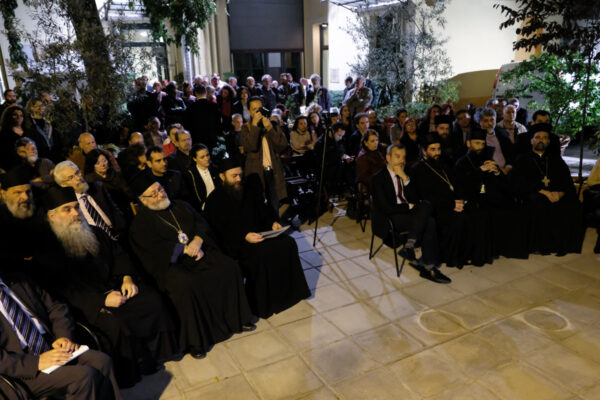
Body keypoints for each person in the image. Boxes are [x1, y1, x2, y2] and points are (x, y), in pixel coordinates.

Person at [36, 185, 178, 387]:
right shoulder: (47, 250)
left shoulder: (94, 231)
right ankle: (132, 371)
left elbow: (119, 255)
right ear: (52, 216)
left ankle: (157, 355)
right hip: (85, 306)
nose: (75, 213)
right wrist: (101, 300)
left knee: (151, 301)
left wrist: (127, 278)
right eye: (67, 209)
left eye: (76, 207)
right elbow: (60, 292)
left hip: (115, 288)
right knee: (114, 323)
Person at [128, 174, 256, 359]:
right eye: (153, 194)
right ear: (143, 200)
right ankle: (196, 341)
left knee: (228, 267)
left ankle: (237, 319)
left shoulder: (181, 205)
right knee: (186, 284)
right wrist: (182, 249)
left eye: (160, 189)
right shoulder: (140, 223)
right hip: (172, 264)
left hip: (199, 252)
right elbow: (152, 250)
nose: (160, 195)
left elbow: (202, 223)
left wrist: (198, 240)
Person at [204, 161, 310, 318]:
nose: (239, 179)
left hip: (259, 233)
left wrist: (272, 223)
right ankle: (266, 303)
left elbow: (263, 211)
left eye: (240, 175)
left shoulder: (249, 190)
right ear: (222, 176)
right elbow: (219, 230)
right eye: (234, 176)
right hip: (236, 243)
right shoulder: (214, 200)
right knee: (262, 254)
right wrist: (244, 236)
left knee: (288, 243)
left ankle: (290, 295)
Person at [0, 271, 121, 400]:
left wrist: (63, 336)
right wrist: (37, 362)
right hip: (19, 368)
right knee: (83, 376)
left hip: (49, 346)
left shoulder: (15, 279)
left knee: (102, 361)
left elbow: (56, 307)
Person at [371, 144, 449, 283]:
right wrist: (409, 206)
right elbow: (386, 208)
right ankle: (427, 264)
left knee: (427, 206)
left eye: (403, 157)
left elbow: (416, 197)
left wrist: (405, 179)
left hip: (412, 215)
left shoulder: (407, 172)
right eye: (397, 156)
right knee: (429, 221)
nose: (401, 160)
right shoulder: (378, 178)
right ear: (388, 158)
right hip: (392, 217)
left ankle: (411, 244)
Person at [512, 124, 583, 255]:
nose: (541, 140)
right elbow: (519, 183)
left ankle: (562, 244)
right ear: (531, 140)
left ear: (549, 142)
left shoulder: (556, 160)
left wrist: (560, 193)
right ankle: (540, 245)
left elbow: (566, 180)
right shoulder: (522, 159)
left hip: (556, 193)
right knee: (540, 203)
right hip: (532, 193)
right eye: (538, 137)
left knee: (574, 206)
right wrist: (545, 192)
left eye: (545, 138)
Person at [407, 133, 470, 268]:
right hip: (434, 208)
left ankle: (464, 255)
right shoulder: (417, 169)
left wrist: (460, 199)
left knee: (471, 213)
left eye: (438, 149)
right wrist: (452, 204)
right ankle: (449, 257)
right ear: (424, 151)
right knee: (457, 219)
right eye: (433, 149)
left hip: (451, 203)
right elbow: (426, 197)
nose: (437, 153)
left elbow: (455, 184)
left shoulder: (444, 165)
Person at [54, 161, 126, 241]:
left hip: (117, 233)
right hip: (95, 241)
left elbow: (114, 210)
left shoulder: (98, 187)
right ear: (63, 185)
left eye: (77, 172)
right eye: (71, 177)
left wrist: (122, 230)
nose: (78, 178)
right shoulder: (69, 205)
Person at [242, 96, 288, 217]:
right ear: (249, 111)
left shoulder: (272, 125)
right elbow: (251, 146)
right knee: (259, 202)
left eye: (260, 108)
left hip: (272, 169)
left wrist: (270, 128)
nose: (258, 112)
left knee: (274, 201)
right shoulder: (246, 128)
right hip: (256, 171)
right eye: (254, 109)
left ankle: (275, 222)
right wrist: (255, 127)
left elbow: (282, 145)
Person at [83, 149, 132, 215]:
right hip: (105, 212)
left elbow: (127, 192)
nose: (103, 164)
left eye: (104, 161)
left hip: (123, 207)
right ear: (92, 165)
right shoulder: (90, 180)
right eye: (98, 163)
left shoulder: (116, 173)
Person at [184, 144, 220, 212]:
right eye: (202, 157)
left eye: (207, 155)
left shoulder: (215, 169)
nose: (207, 159)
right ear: (195, 159)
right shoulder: (190, 175)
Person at [479, 108, 514, 175]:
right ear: (480, 122)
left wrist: (508, 167)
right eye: (486, 121)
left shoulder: (502, 134)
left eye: (492, 120)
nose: (490, 123)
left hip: (507, 170)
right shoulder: (477, 138)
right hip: (488, 173)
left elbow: (511, 154)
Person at [187, 85, 220, 149]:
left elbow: (188, 124)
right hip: (211, 137)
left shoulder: (191, 107)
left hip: (197, 138)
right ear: (206, 93)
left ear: (195, 93)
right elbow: (218, 122)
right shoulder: (214, 106)